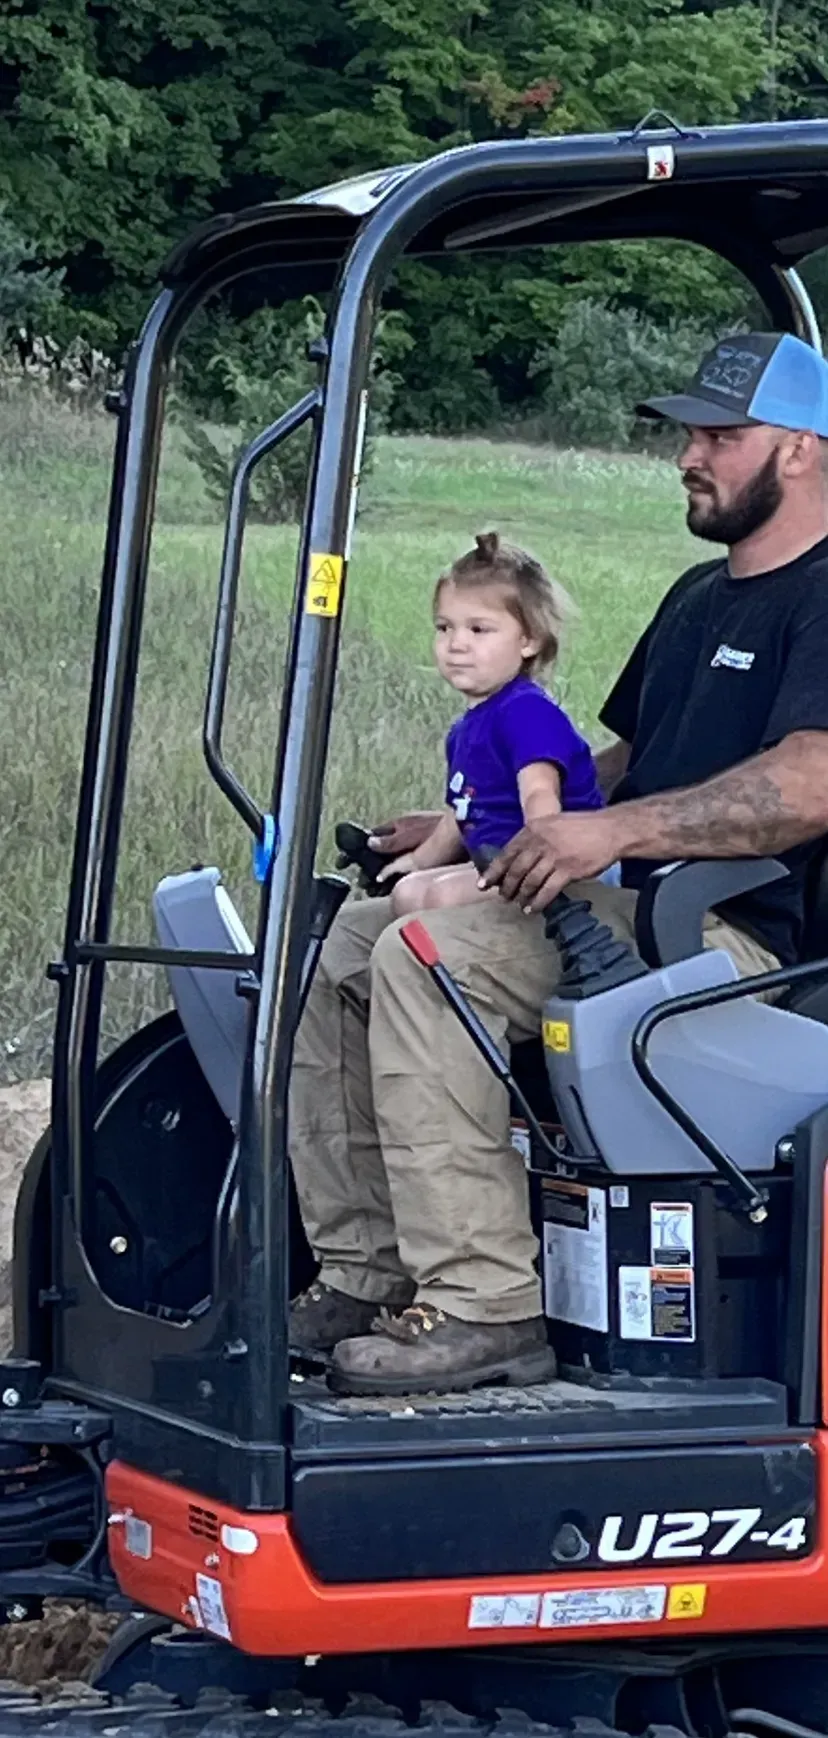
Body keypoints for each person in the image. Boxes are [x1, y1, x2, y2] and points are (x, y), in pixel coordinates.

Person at [289, 330, 828, 1398]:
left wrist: (615, 834)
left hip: (741, 941)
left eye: (722, 436)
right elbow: (617, 761)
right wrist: (484, 823)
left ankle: (486, 1304)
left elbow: (809, 782)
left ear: (804, 450)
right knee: (343, 944)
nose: (692, 455)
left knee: (433, 951)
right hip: (630, 901)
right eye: (689, 434)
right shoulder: (696, 597)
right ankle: (365, 1267)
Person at [378, 531, 603, 921]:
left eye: (478, 630)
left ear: (529, 640)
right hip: (498, 863)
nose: (456, 644)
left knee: (439, 899)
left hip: (559, 870)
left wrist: (541, 859)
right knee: (409, 893)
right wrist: (417, 861)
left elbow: (540, 796)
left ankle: (452, 974)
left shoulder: (527, 714)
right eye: (444, 627)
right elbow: (463, 812)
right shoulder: (465, 730)